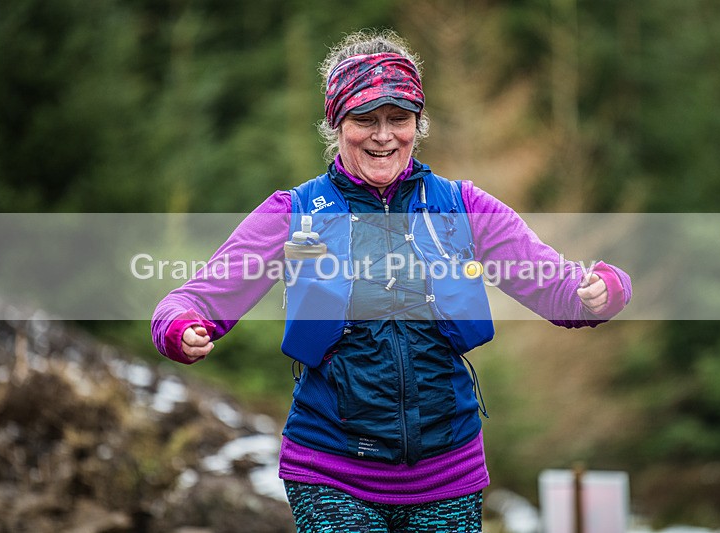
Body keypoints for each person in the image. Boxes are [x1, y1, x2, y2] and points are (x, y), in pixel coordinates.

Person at [152, 29, 631, 533]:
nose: (384, 135)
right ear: (336, 125)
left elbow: (557, 287)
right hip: (330, 469)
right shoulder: (294, 212)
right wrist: (180, 326)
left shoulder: (461, 206)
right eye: (365, 120)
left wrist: (601, 290)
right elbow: (195, 298)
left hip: (449, 471)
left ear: (417, 125)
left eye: (399, 119)